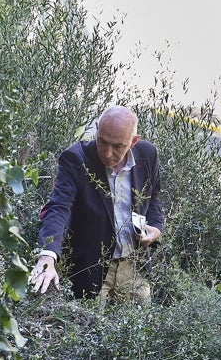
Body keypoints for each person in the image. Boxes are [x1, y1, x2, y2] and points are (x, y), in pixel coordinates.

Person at [28, 105, 164, 303]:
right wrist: (47, 255)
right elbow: (59, 206)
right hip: (91, 269)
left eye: (117, 146)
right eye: (102, 141)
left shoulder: (147, 154)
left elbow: (153, 197)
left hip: (134, 268)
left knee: (138, 327)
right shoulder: (76, 158)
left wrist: (156, 228)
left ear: (133, 142)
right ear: (97, 129)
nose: (107, 153)